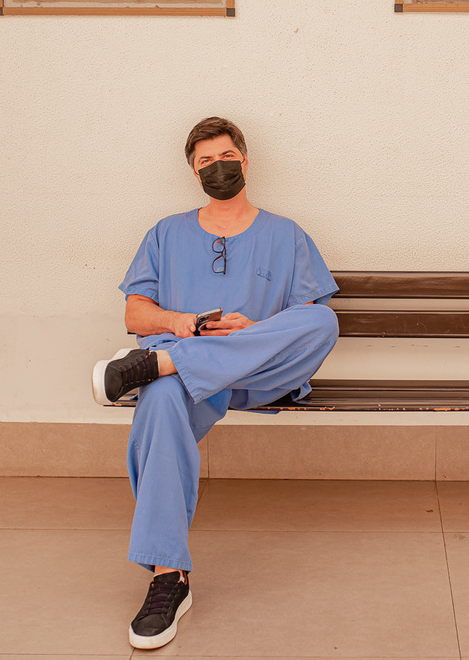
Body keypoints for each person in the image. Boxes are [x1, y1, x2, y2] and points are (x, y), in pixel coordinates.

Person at [91, 116, 339, 649]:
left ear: (245, 161)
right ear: (194, 172)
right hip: (185, 382)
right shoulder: (166, 233)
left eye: (226, 157)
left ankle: (166, 363)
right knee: (159, 402)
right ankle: (168, 577)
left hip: (258, 374)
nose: (217, 167)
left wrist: (254, 330)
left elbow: (309, 316)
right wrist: (180, 322)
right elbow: (136, 314)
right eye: (205, 161)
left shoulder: (285, 234)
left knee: (323, 321)